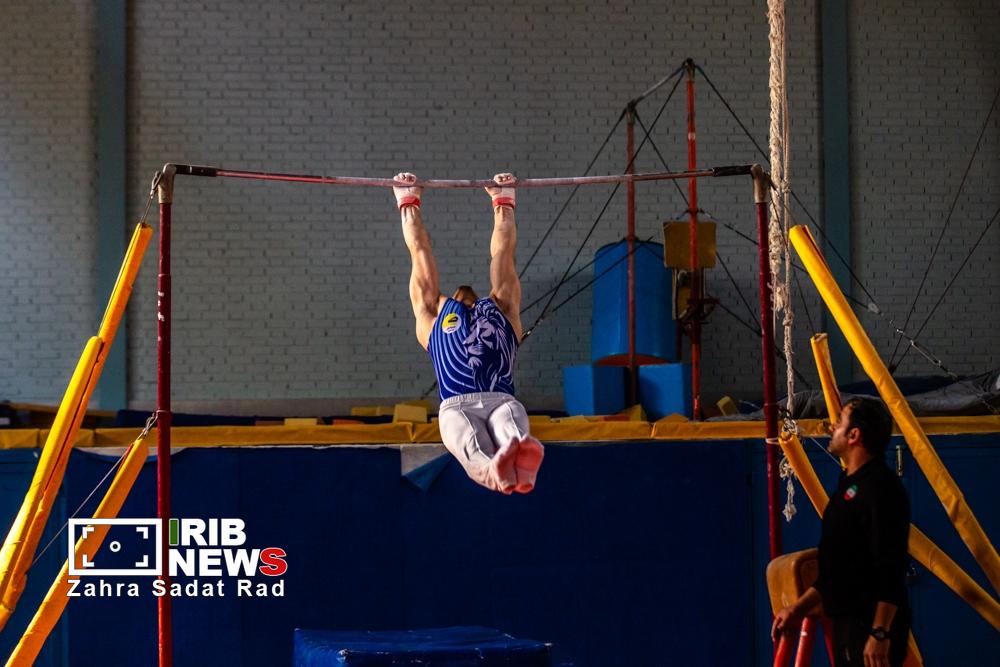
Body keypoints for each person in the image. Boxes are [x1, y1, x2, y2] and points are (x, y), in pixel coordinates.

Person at [393, 171, 544, 494]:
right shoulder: (432, 315)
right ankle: (497, 470)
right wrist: (408, 201)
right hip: (458, 407)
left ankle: (518, 457)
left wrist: (503, 202)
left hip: (501, 401)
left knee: (510, 424)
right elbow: (419, 252)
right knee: (470, 441)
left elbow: (503, 253)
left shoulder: (501, 306)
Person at [772, 397, 911, 667]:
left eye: (839, 423)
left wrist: (880, 632)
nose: (832, 427)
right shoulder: (848, 486)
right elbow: (835, 571)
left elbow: (891, 567)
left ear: (854, 435)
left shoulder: (881, 489)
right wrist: (796, 609)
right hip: (847, 625)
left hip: (871, 630)